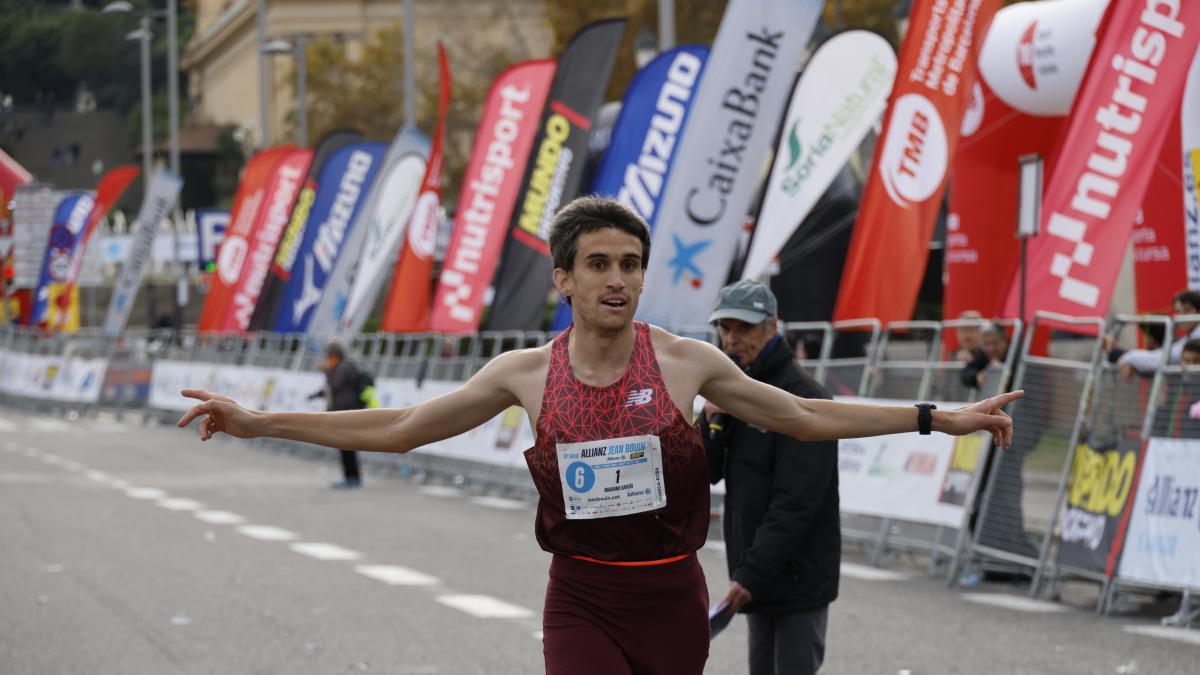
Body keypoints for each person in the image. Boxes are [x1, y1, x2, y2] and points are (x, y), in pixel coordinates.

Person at [178, 196, 1020, 675]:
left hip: (672, 597)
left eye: (630, 264)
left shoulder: (686, 362)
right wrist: (259, 419)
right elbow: (401, 426)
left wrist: (935, 416)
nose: (617, 279)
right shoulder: (524, 373)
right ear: (564, 278)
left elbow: (803, 416)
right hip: (581, 595)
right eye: (599, 264)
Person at [701, 279, 839, 675]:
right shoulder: (733, 389)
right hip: (757, 572)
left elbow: (796, 502)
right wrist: (709, 423)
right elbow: (706, 473)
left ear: (771, 326)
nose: (732, 338)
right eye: (725, 327)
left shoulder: (804, 396)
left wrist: (750, 574)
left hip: (796, 574)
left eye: (744, 327)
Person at [307, 341, 368, 488]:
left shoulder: (343, 367)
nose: (327, 359)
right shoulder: (340, 367)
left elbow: (334, 386)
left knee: (347, 446)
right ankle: (350, 476)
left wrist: (327, 371)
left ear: (335, 355)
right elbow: (329, 389)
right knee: (344, 446)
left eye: (328, 356)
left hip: (346, 411)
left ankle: (352, 477)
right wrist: (314, 395)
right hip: (342, 411)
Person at [1119, 290, 1200, 378]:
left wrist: (1129, 358)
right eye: (1178, 312)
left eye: (1187, 310)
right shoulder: (1190, 336)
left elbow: (1165, 357)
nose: (1182, 316)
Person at [960, 324, 1009, 390]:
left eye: (995, 343)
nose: (991, 349)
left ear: (1004, 341)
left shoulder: (1015, 353)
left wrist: (1003, 370)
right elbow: (966, 373)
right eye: (986, 344)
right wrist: (976, 376)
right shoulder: (983, 354)